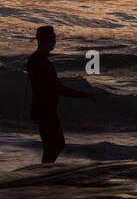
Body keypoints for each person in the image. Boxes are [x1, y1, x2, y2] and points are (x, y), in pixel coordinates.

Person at [26, 25, 93, 163]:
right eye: (53, 38)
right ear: (49, 40)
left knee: (52, 146)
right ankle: (44, 172)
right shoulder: (43, 62)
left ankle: (44, 171)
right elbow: (58, 88)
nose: (55, 41)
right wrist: (84, 95)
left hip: (41, 108)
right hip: (45, 109)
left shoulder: (35, 59)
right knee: (55, 145)